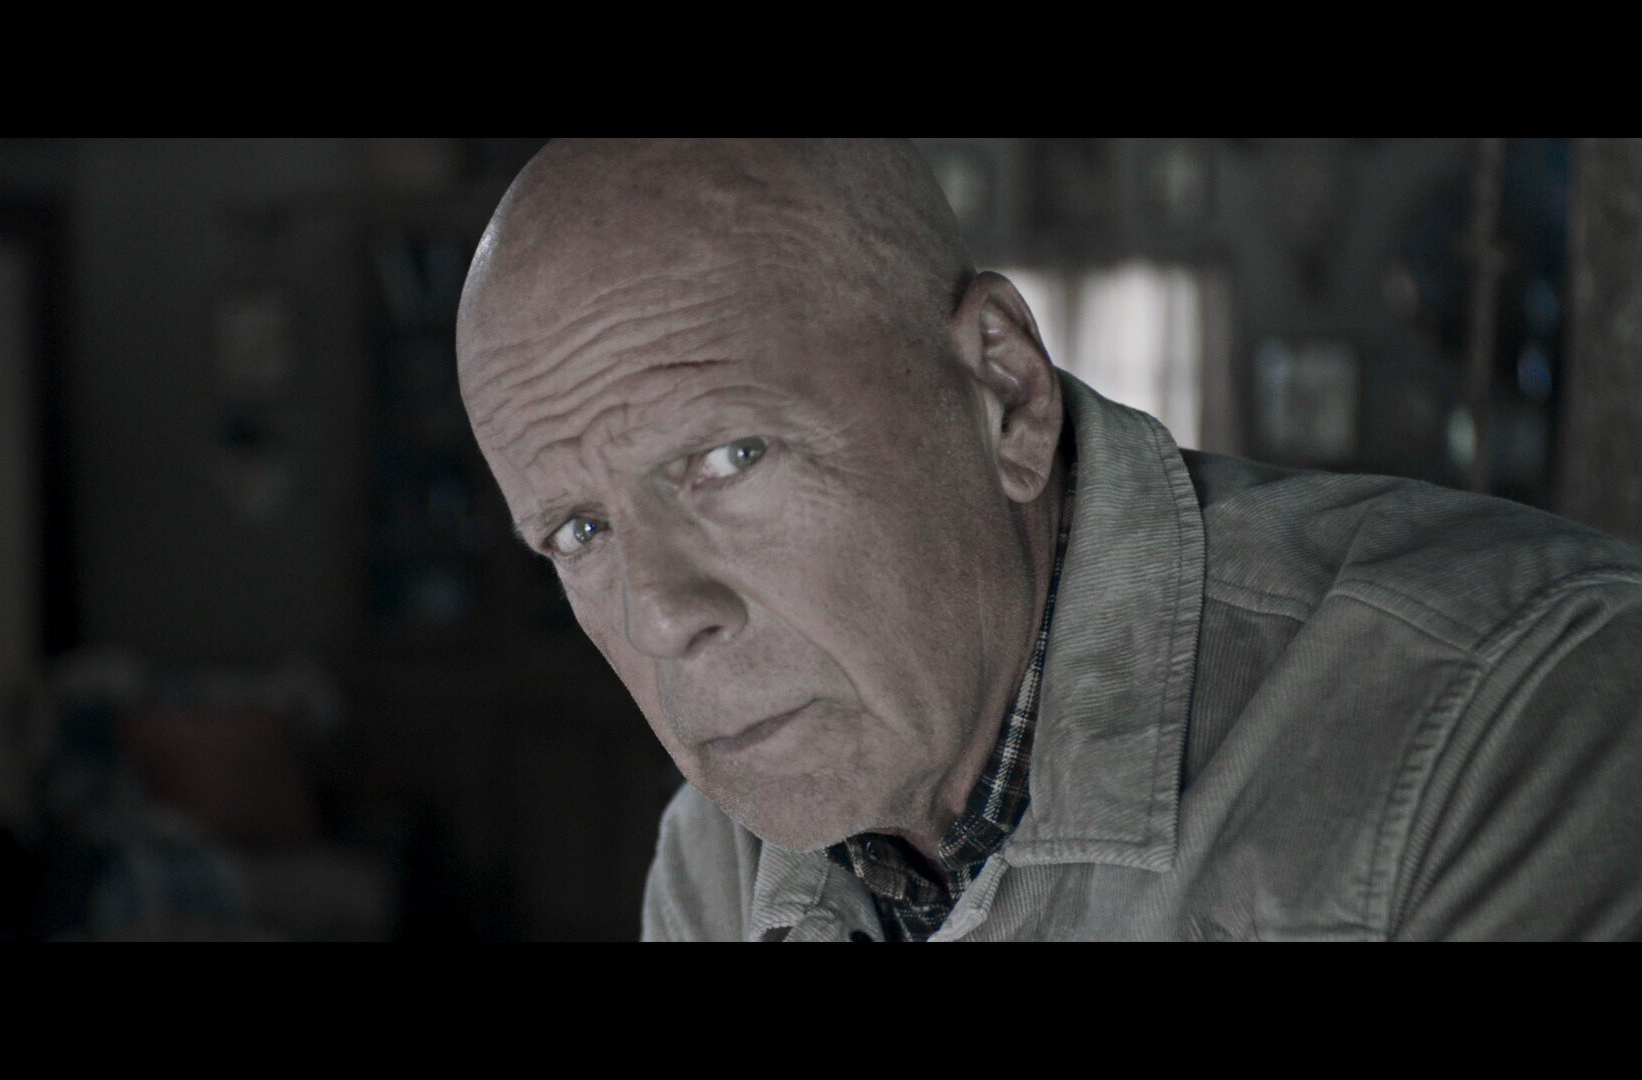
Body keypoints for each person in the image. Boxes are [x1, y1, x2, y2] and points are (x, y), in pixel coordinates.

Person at [453, 138, 1642, 941]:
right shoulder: (717, 863)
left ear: (1006, 394)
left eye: (729, 457)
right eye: (580, 529)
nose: (663, 613)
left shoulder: (1511, 711)